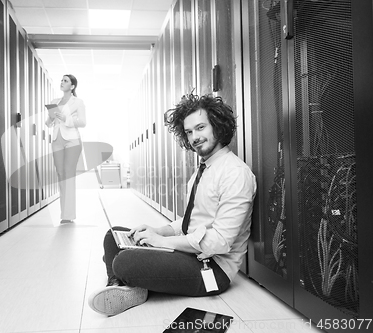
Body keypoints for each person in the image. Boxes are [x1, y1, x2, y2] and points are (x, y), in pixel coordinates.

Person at [87, 93, 256, 316]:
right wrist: (158, 231)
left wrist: (162, 242)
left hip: (212, 268)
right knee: (114, 236)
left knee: (124, 261)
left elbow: (220, 243)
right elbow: (190, 222)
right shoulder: (202, 170)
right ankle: (123, 287)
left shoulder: (235, 174)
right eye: (189, 132)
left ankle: (124, 280)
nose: (194, 137)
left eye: (200, 127)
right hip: (189, 253)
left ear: (217, 125)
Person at [45, 74, 86, 224]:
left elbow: (82, 122)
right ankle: (64, 212)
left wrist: (66, 119)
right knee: (61, 174)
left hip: (72, 140)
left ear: (72, 86)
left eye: (65, 81)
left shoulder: (78, 102)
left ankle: (68, 215)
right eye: (61, 80)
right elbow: (48, 123)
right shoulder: (54, 102)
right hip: (57, 140)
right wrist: (51, 116)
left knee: (68, 175)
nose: (62, 82)